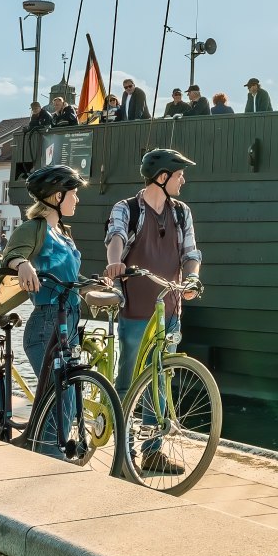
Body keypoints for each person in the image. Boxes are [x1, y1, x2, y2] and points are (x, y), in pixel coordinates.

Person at [104, 148, 202, 475]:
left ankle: (153, 452)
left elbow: (191, 252)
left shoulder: (181, 213)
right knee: (129, 379)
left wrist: (193, 278)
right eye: (179, 175)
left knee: (160, 380)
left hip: (170, 309)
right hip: (135, 309)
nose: (183, 180)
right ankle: (123, 447)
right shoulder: (128, 209)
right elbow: (115, 237)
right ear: (162, 177)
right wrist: (114, 262)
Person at [2, 164, 86, 378]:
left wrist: (94, 285)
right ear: (58, 196)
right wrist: (23, 264)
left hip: (70, 320)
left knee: (72, 402)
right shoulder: (33, 228)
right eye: (74, 194)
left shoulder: (63, 232)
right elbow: (11, 255)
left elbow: (68, 277)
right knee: (59, 399)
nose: (77, 200)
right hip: (47, 324)